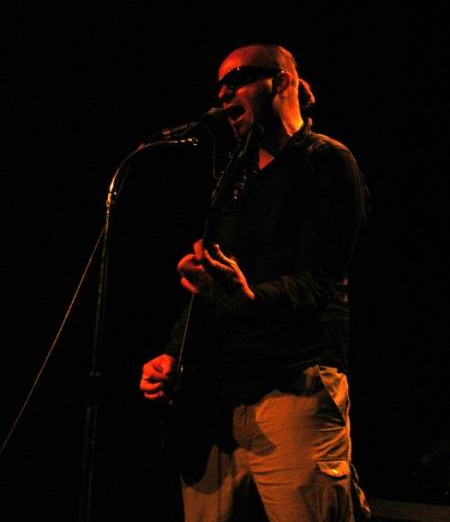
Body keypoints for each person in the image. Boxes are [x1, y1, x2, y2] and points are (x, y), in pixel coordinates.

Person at [139, 43, 371, 521]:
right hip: (215, 405)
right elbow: (208, 290)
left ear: (283, 80)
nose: (223, 93)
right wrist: (173, 353)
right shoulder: (234, 180)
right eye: (219, 86)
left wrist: (248, 300)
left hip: (292, 392)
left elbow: (318, 281)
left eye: (236, 79)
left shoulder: (327, 162)